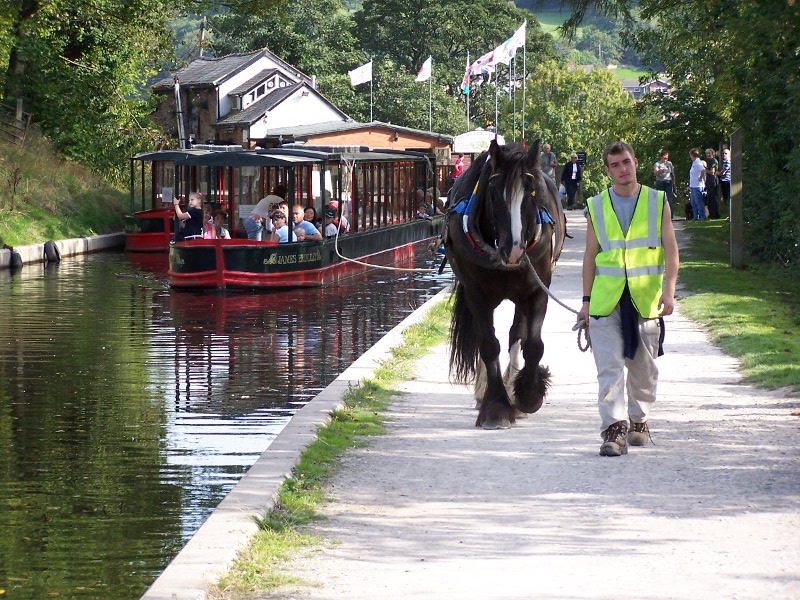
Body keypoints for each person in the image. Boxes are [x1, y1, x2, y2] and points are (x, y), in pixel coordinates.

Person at [578, 141, 679, 457]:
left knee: (643, 370)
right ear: (607, 171)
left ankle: (639, 421)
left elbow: (671, 249)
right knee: (608, 367)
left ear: (635, 162)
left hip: (645, 298)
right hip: (606, 300)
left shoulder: (656, 201)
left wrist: (670, 290)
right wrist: (585, 301)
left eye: (626, 162)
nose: (623, 169)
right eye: (616, 165)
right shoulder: (596, 206)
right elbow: (590, 256)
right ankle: (614, 429)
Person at [653, 150, 677, 217]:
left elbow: (672, 174)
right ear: (661, 156)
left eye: (667, 156)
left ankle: (670, 215)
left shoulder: (669, 164)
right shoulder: (657, 164)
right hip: (660, 182)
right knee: (661, 198)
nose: (665, 157)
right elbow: (655, 173)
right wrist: (660, 171)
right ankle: (661, 214)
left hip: (668, 182)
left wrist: (674, 183)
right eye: (664, 156)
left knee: (669, 198)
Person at [688, 149, 706, 220]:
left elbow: (703, 170)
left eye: (690, 155)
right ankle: (696, 216)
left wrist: (700, 177)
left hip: (697, 185)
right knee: (693, 202)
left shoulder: (698, 162)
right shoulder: (694, 163)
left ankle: (702, 216)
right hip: (693, 185)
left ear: (692, 155)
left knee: (698, 202)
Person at [703, 148, 720, 219]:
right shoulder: (710, 161)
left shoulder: (713, 161)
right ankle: (712, 213)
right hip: (710, 181)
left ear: (713, 154)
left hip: (712, 181)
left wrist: (705, 169)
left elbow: (712, 172)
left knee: (712, 198)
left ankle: (714, 214)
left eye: (709, 153)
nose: (708, 155)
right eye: (707, 153)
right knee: (710, 198)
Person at [719, 148, 731, 213]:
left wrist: (717, 173)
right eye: (723, 153)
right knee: (725, 198)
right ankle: (729, 213)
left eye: (726, 153)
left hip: (727, 180)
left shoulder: (727, 161)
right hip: (724, 181)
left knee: (727, 198)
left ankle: (730, 214)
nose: (724, 154)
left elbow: (723, 172)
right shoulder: (724, 161)